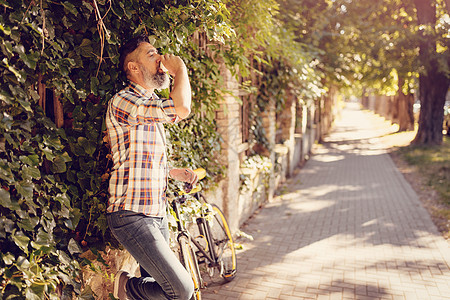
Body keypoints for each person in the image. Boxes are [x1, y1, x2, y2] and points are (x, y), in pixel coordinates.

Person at [105, 34, 198, 300]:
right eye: (151, 54)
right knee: (182, 290)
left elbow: (138, 157)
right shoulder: (124, 100)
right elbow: (182, 107)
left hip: (156, 212)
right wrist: (180, 68)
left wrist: (172, 172)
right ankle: (125, 288)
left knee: (161, 290)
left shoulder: (149, 105)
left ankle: (135, 290)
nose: (159, 59)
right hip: (131, 214)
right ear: (133, 67)